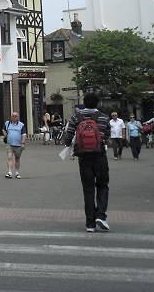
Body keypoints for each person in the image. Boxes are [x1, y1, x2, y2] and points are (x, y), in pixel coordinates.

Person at [63, 92, 110, 232]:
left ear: (84, 103)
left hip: (83, 158)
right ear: (97, 103)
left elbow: (67, 137)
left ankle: (90, 224)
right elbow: (107, 135)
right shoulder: (104, 117)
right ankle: (101, 215)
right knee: (102, 186)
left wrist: (70, 145)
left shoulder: (76, 117)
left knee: (88, 189)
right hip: (99, 156)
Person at [3, 112, 26, 179]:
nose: (14, 117)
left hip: (18, 145)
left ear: (18, 117)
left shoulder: (21, 125)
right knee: (9, 157)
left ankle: (17, 173)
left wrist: (23, 143)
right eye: (13, 116)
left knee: (17, 159)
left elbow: (23, 134)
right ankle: (9, 172)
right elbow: (3, 129)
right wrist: (5, 134)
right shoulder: (7, 123)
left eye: (15, 116)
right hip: (9, 144)